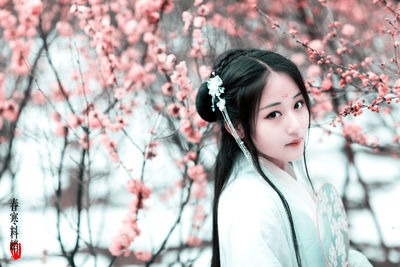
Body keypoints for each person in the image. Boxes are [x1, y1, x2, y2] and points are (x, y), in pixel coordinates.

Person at [195, 48, 373, 267]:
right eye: (273, 114)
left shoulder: (279, 171)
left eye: (298, 104)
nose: (295, 125)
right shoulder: (250, 203)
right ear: (238, 128)